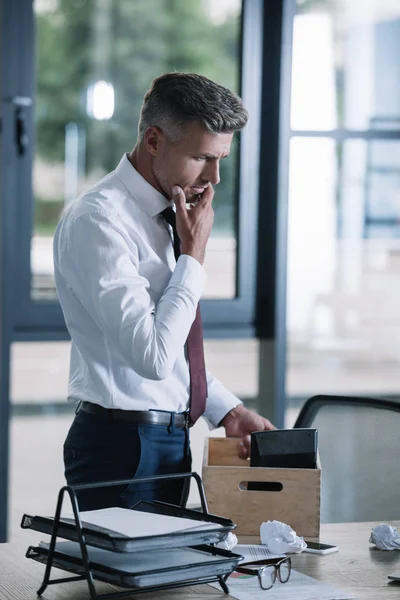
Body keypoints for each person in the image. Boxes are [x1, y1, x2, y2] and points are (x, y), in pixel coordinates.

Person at [54, 72, 276, 511]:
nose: (213, 178)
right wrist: (192, 258)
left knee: (175, 582)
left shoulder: (173, 214)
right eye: (201, 157)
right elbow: (152, 357)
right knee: (125, 583)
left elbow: (175, 347)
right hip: (121, 447)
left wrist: (228, 411)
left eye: (221, 159)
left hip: (170, 440)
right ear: (153, 140)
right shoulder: (100, 221)